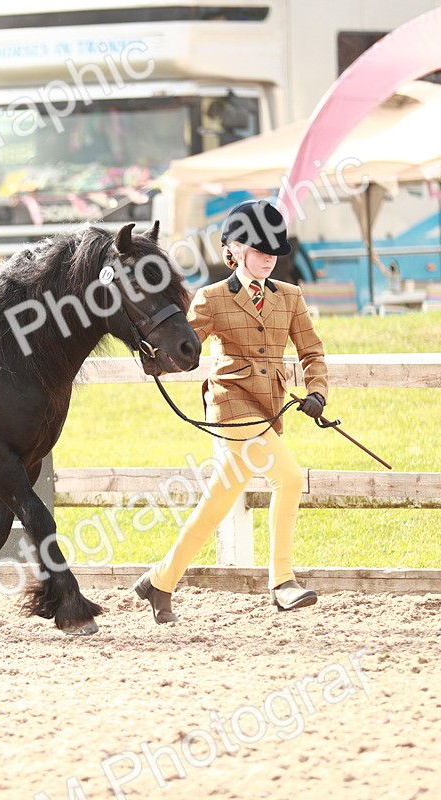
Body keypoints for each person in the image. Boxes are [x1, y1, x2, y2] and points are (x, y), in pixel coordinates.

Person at [133, 199, 329, 622]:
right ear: (233, 251)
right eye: (259, 249)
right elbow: (183, 346)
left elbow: (312, 351)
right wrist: (157, 362)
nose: (269, 257)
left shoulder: (291, 297)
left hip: (269, 406)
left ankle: (160, 581)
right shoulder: (212, 298)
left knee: (218, 500)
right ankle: (282, 582)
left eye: (274, 250)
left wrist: (317, 392)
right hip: (229, 402)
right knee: (289, 477)